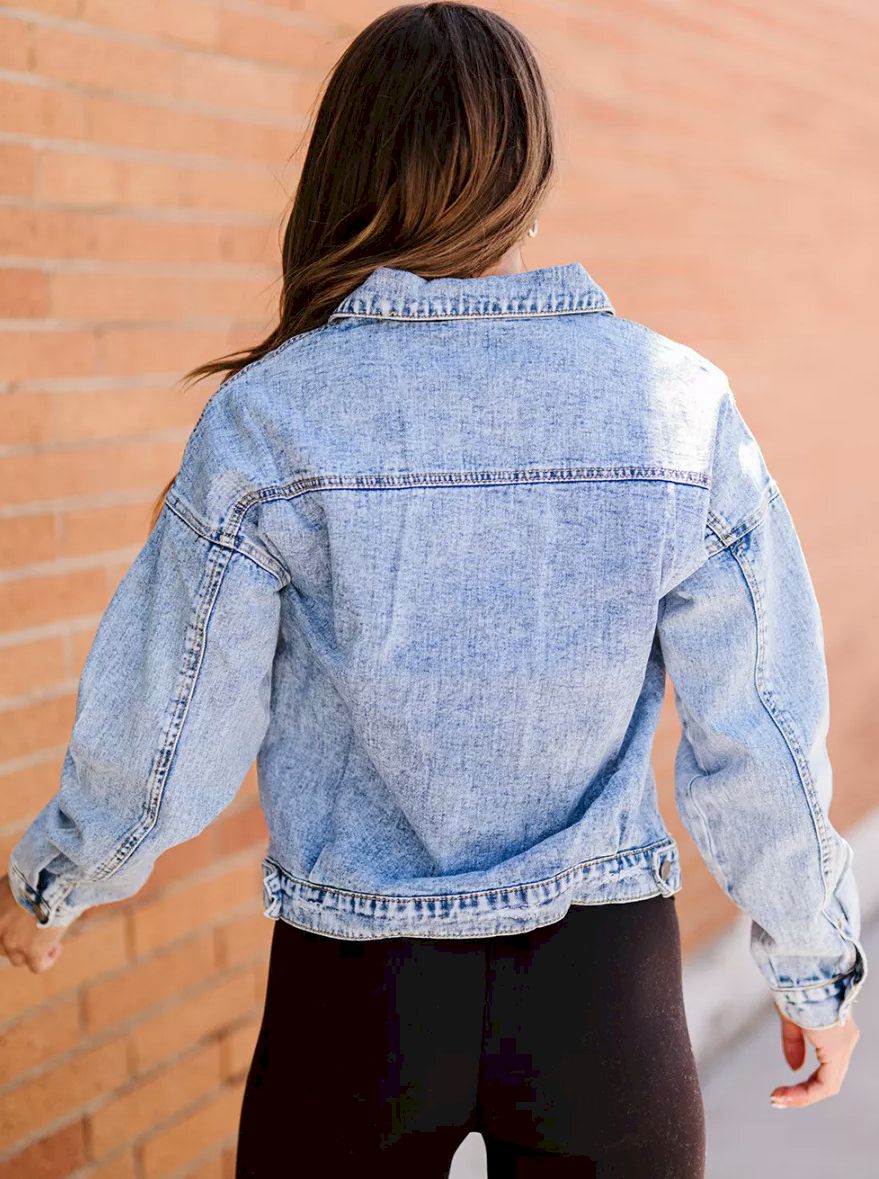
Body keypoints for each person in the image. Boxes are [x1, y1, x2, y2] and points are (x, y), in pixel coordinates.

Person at [0, 3, 865, 1176]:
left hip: (356, 994)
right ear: (529, 174)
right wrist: (814, 962)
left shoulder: (276, 414)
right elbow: (755, 729)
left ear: (345, 165)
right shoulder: (676, 404)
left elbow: (175, 718)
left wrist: (61, 879)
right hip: (601, 997)